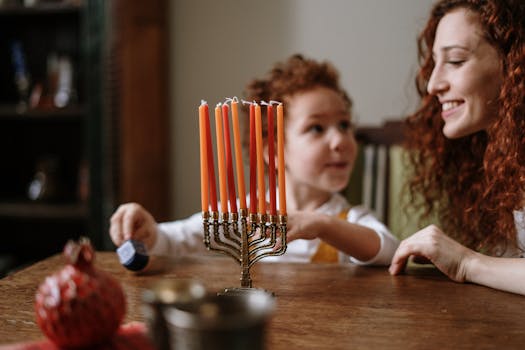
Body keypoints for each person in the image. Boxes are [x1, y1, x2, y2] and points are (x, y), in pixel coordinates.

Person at [110, 54, 398, 266]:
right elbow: (177, 240)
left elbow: (388, 250)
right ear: (273, 151)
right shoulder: (245, 215)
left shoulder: (347, 221)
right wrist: (149, 232)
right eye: (317, 128)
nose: (340, 141)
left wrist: (322, 225)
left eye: (345, 125)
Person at [389, 0, 525, 295]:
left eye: (455, 61)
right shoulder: (501, 157)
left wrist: (466, 263)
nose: (432, 85)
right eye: (433, 63)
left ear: (513, 61)